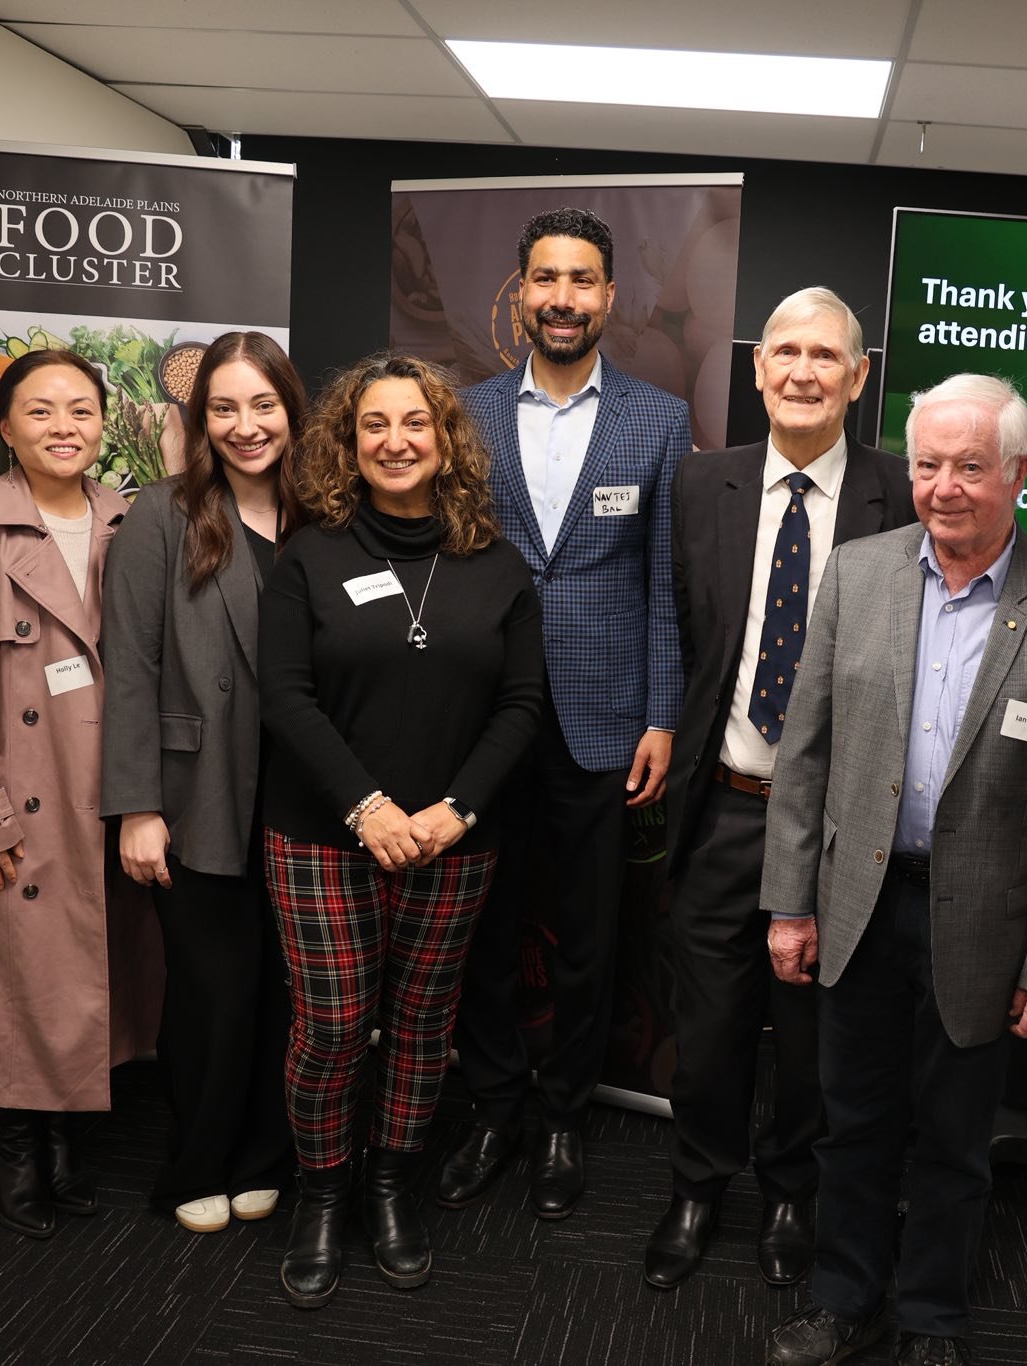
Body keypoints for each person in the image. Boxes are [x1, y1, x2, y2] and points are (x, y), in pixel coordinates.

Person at [761, 374, 1027, 1366]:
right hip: (857, 907)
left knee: (955, 1141)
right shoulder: (856, 574)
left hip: (984, 927)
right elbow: (806, 756)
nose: (945, 486)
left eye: (970, 465)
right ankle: (842, 1296)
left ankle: (930, 1315)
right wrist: (788, 903)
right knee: (852, 1123)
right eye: (927, 464)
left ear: (1016, 471)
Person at [259, 352, 543, 1308]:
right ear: (348, 440)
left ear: (446, 439)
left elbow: (522, 704)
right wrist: (366, 806)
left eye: (415, 423)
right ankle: (324, 1193)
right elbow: (286, 697)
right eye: (374, 425)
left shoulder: (496, 565)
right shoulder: (310, 554)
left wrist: (456, 809)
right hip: (322, 832)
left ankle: (390, 1187)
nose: (395, 441)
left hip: (450, 841)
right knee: (336, 1024)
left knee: (423, 1026)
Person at [644, 287, 914, 1290]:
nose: (802, 371)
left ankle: (792, 1191)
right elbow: (667, 622)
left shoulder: (900, 493)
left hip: (840, 826)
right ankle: (697, 1183)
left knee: (811, 1033)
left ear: (857, 376)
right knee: (707, 1025)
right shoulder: (698, 483)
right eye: (784, 352)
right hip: (721, 801)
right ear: (756, 370)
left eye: (824, 356)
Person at [442, 206, 690, 1221]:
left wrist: (661, 713)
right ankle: (495, 1102)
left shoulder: (656, 419)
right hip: (482, 717)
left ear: (608, 297)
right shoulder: (464, 413)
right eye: (544, 279)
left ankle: (558, 1116)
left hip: (601, 716)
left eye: (580, 280)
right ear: (520, 292)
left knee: (591, 935)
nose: (561, 298)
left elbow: (667, 582)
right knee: (483, 929)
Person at [0, 348, 162, 1240]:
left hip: (109, 785)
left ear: (105, 422)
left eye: (82, 411)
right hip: (19, 794)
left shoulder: (131, 521)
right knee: (22, 972)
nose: (65, 428)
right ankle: (18, 1145)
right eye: (42, 411)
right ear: (6, 426)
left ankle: (65, 1145)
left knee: (83, 972)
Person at [101, 332, 307, 1235]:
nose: (245, 425)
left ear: (292, 410)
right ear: (199, 417)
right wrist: (138, 806)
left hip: (307, 796)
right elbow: (131, 666)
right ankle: (197, 1163)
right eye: (224, 407)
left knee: (291, 991)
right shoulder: (164, 513)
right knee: (212, 989)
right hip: (199, 792)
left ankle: (266, 1154)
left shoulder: (328, 515)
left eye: (263, 404)